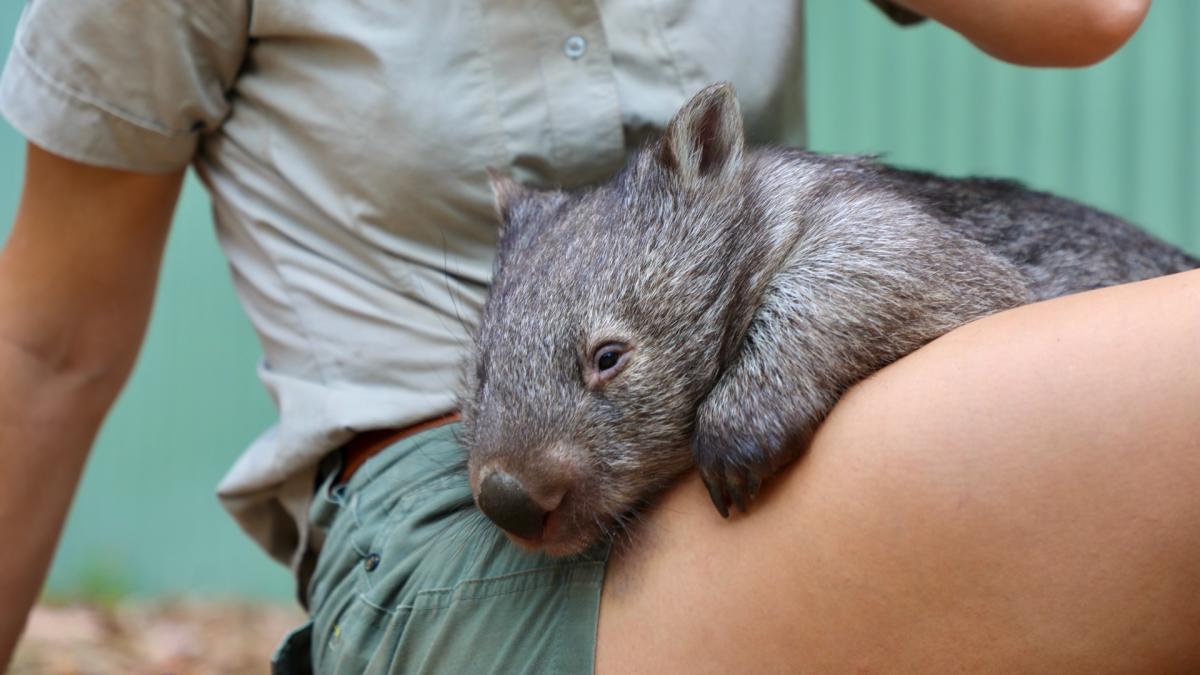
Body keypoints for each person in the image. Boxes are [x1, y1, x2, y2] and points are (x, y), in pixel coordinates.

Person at [4, 0, 1195, 672]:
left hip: (767, 456)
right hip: (466, 543)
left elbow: (1089, 13)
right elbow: (47, 345)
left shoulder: (792, 237)